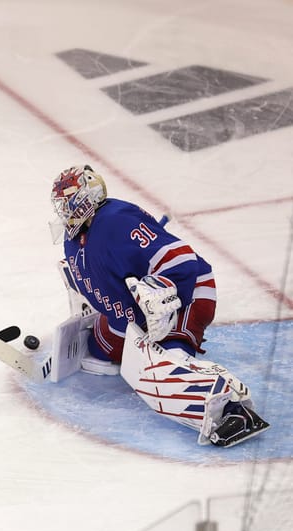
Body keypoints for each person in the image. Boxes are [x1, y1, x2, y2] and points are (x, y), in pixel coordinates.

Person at [47, 164, 269, 448]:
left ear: (88, 197)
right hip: (136, 315)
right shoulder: (72, 240)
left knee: (164, 369)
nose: (64, 212)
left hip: (184, 298)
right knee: (99, 347)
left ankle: (231, 409)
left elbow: (183, 263)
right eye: (62, 206)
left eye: (70, 203)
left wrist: (158, 289)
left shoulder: (116, 222)